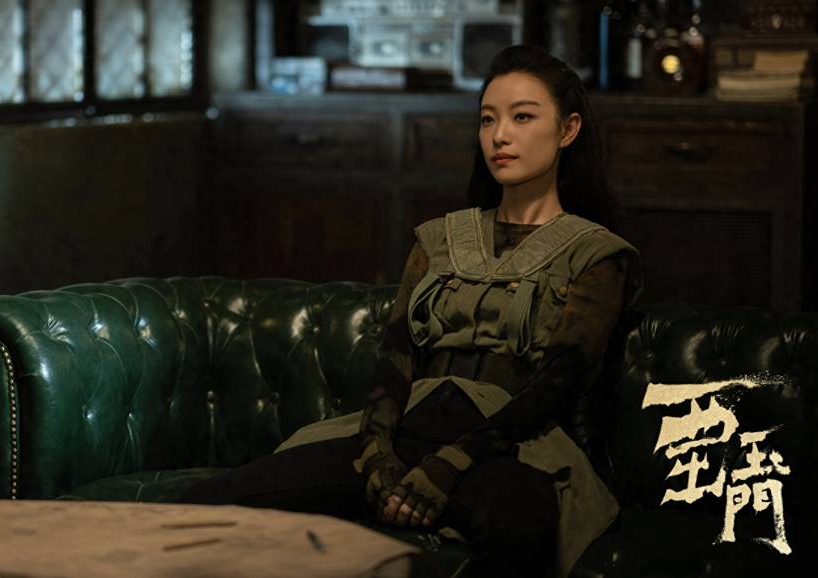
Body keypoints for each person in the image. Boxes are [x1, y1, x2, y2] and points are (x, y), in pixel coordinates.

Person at [179, 44, 644, 578]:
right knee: (212, 500)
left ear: (567, 130)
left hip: (511, 443)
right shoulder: (440, 238)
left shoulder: (596, 253)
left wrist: (449, 465)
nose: (500, 136)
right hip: (412, 423)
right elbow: (394, 361)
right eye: (487, 119)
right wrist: (377, 456)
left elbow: (557, 386)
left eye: (522, 117)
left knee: (521, 527)